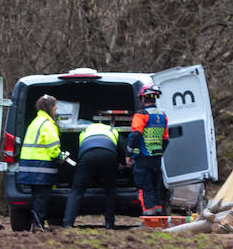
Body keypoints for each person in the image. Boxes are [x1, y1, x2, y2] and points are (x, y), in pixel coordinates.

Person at [62, 121, 123, 229]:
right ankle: (109, 224)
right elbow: (120, 149)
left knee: (76, 191)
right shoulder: (112, 130)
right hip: (108, 154)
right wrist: (120, 163)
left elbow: (76, 152)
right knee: (110, 190)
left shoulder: (84, 131)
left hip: (87, 154)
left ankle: (68, 223)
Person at [18, 94, 61, 230]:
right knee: (42, 198)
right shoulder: (47, 124)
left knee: (37, 197)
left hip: (29, 166)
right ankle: (37, 225)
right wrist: (60, 156)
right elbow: (53, 146)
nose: (56, 108)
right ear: (50, 108)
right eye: (55, 106)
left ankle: (36, 224)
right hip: (41, 167)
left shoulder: (36, 122)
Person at [128, 83, 170, 216]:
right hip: (156, 158)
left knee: (145, 187)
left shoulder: (141, 115)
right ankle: (157, 217)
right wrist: (159, 152)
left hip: (143, 157)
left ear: (143, 98)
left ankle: (149, 218)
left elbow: (136, 135)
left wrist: (128, 152)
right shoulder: (163, 116)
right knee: (155, 187)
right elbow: (165, 139)